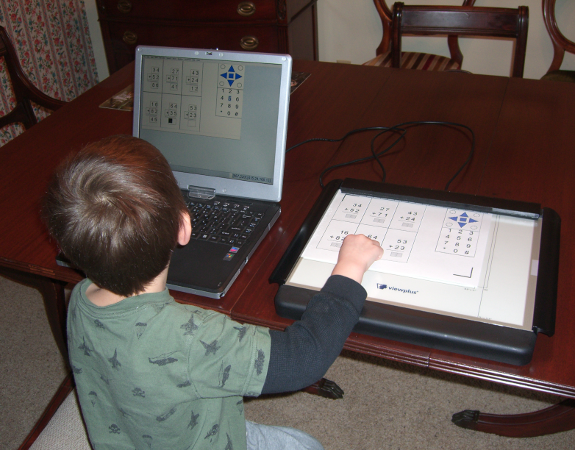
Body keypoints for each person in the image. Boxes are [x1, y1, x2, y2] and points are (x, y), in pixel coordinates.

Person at [42, 135, 383, 450]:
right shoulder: (194, 338)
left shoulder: (80, 300)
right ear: (184, 226)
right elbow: (304, 359)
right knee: (305, 445)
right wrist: (349, 268)